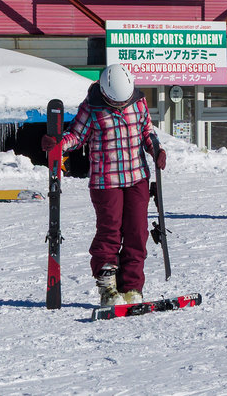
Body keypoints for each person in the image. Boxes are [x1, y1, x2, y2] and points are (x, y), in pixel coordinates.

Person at [48, 64, 164, 307]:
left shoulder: (139, 102)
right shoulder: (91, 107)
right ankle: (108, 288)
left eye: (125, 101)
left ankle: (132, 286)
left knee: (137, 232)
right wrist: (57, 143)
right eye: (116, 103)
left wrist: (157, 149)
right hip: (105, 180)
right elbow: (77, 136)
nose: (122, 106)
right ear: (105, 92)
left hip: (137, 177)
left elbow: (147, 132)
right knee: (110, 231)